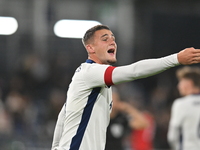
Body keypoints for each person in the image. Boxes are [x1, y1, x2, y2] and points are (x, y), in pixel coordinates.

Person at [51, 24, 200, 150]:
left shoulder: (92, 80)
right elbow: (134, 71)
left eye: (113, 39)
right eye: (105, 39)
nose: (112, 42)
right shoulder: (90, 72)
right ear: (90, 48)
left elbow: (63, 116)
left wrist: (55, 147)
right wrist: (176, 59)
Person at [167, 66, 200, 150]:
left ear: (188, 83)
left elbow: (172, 136)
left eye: (181, 82)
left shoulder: (181, 104)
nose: (178, 86)